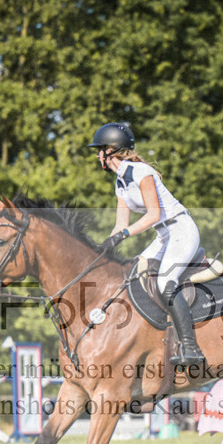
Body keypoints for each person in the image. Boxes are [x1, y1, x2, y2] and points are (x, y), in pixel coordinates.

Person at [88, 122, 205, 366]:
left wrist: (123, 235)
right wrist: (102, 248)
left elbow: (153, 215)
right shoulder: (120, 182)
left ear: (110, 150)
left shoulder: (141, 173)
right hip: (163, 236)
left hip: (181, 229)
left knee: (164, 282)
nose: (97, 155)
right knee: (133, 275)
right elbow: (120, 224)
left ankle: (191, 348)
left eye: (99, 150)